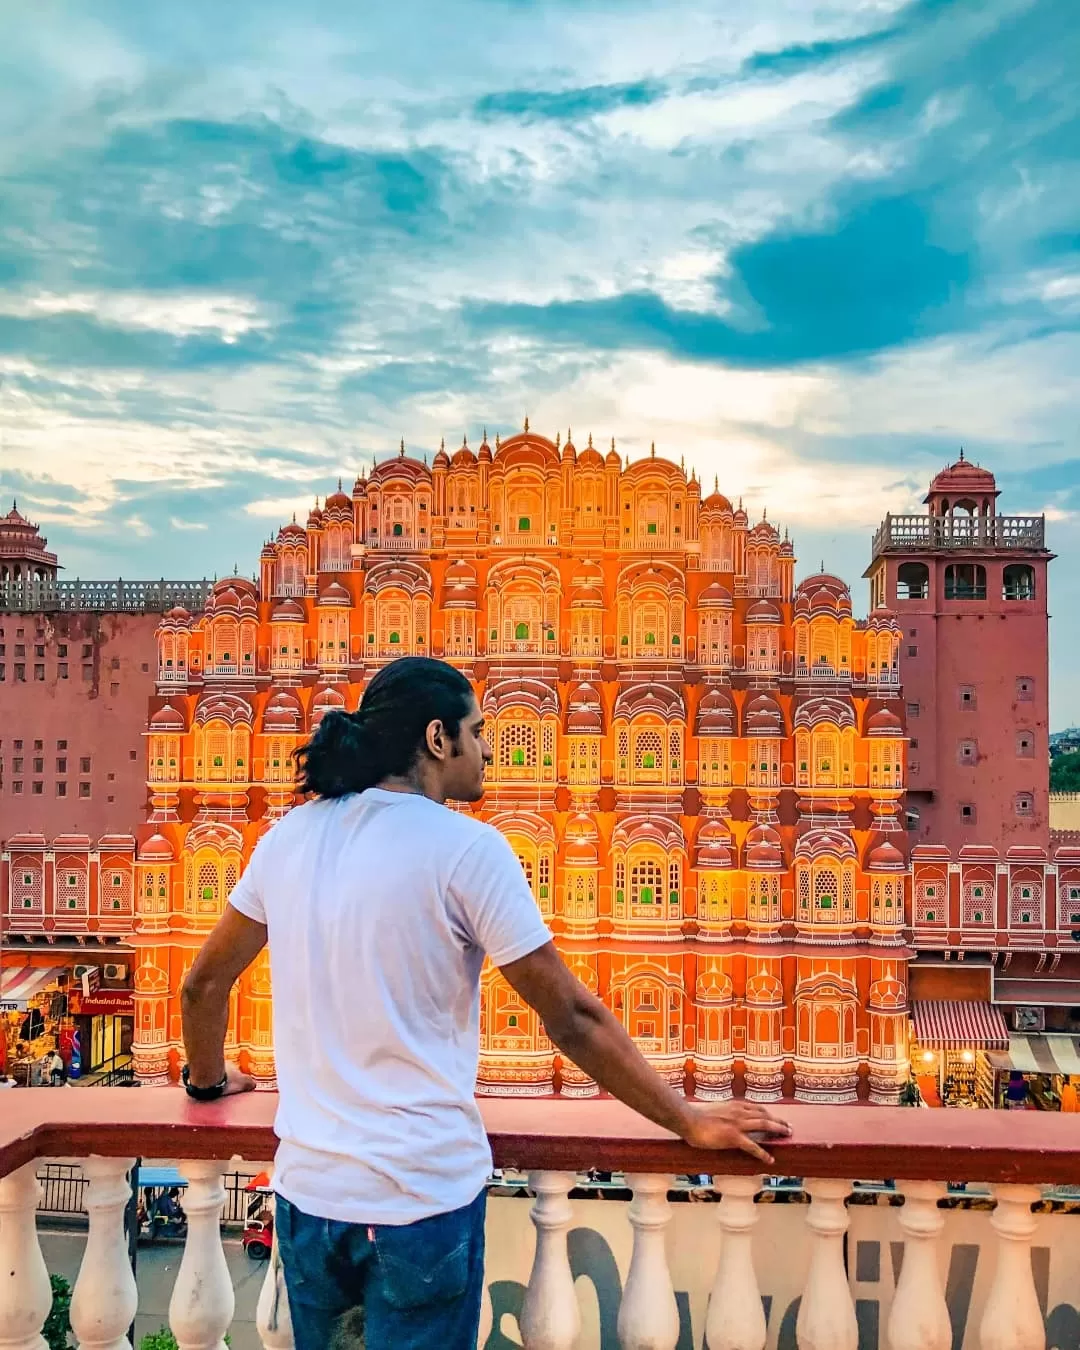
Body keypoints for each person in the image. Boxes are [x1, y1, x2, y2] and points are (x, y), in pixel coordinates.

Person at [181, 656, 789, 1350]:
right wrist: (686, 1119)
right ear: (437, 740)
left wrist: (205, 1082)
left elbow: (202, 984)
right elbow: (570, 1017)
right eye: (477, 731)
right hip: (418, 1204)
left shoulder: (289, 837)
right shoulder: (467, 849)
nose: (490, 749)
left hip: (308, 1203)